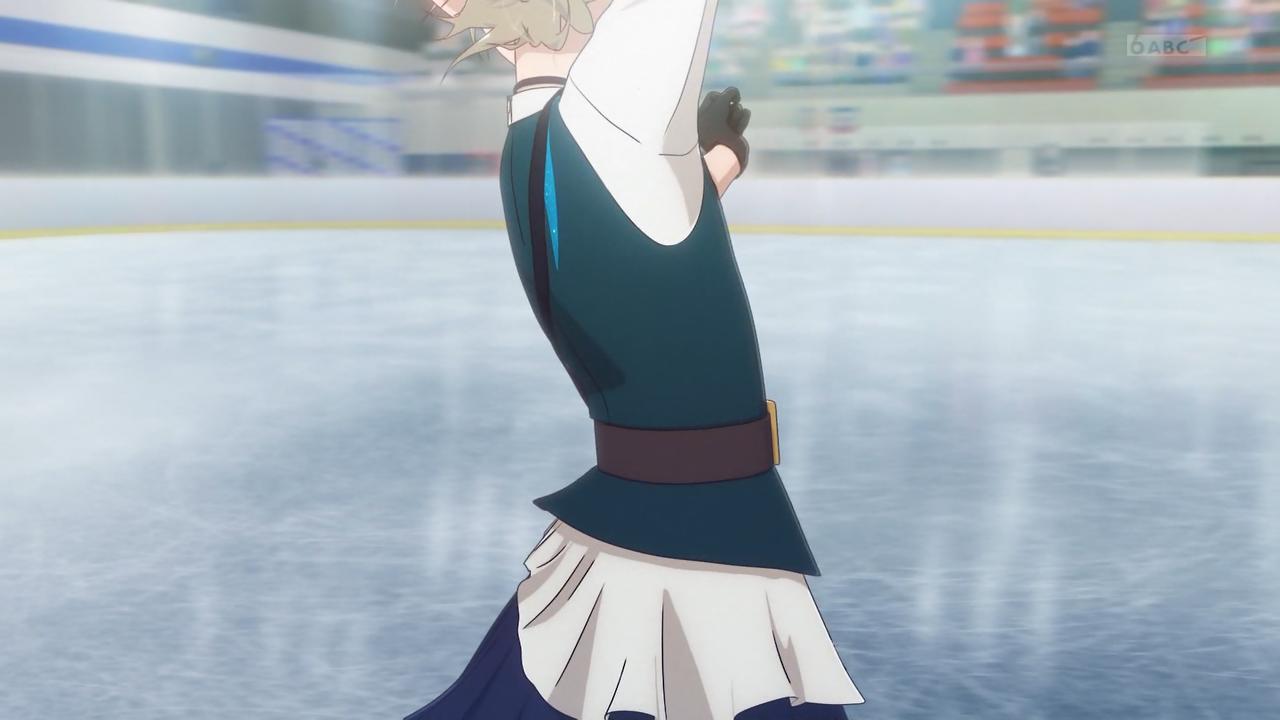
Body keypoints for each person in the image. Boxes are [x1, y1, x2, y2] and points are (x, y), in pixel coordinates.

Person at [406, 2, 865, 718]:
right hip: (700, 544)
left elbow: (634, 238)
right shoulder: (606, 118)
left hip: (638, 531)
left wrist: (716, 162)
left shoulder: (540, 137)